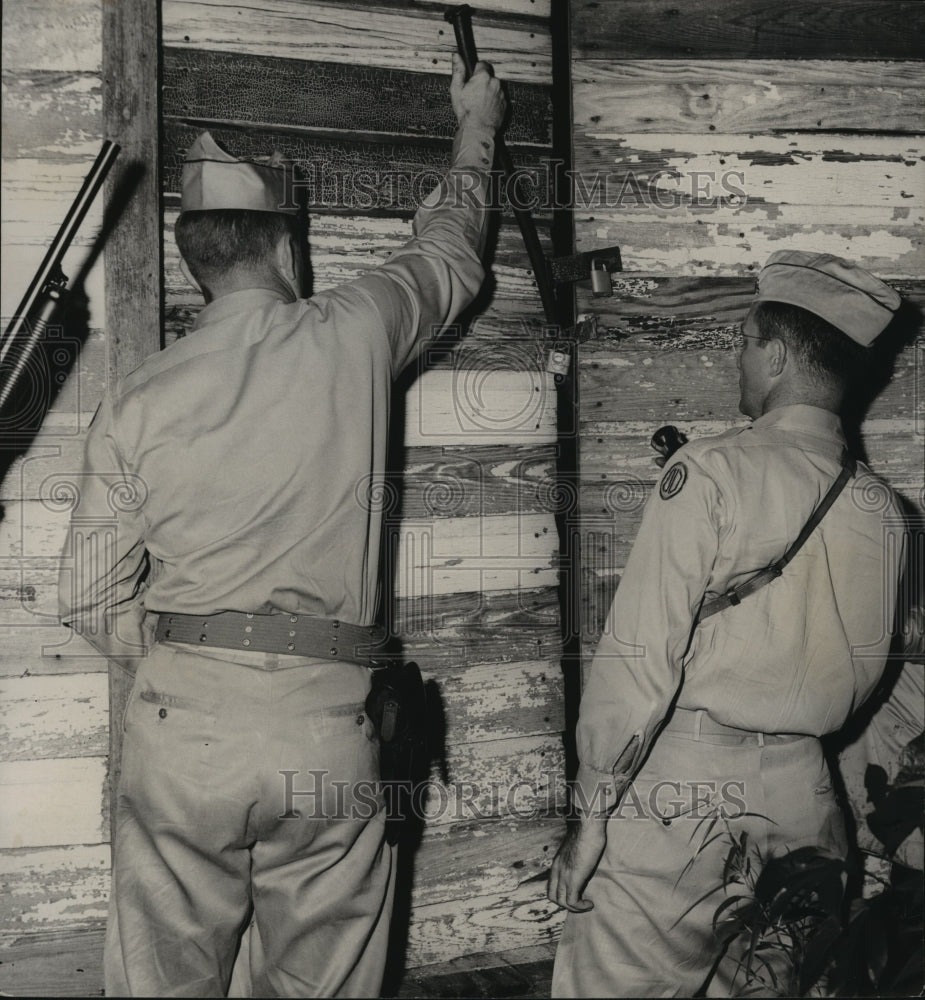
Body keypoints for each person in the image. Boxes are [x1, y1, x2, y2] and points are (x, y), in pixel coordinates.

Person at [58, 55, 506, 997]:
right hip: (326, 724)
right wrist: (476, 124)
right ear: (288, 250)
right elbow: (452, 254)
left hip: (183, 729)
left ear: (197, 266)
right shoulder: (353, 330)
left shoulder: (137, 400)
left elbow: (87, 593)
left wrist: (192, 657)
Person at [548, 250, 908, 997]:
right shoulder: (887, 512)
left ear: (774, 356)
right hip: (805, 804)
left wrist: (588, 816)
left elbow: (638, 660)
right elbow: (872, 676)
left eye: (743, 342)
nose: (736, 359)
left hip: (682, 791)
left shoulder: (710, 472)